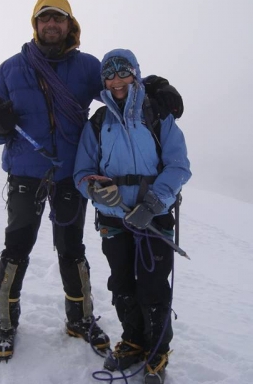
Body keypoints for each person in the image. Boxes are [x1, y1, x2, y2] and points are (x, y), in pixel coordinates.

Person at [0, 0, 184, 361]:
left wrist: (156, 86)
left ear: (69, 24)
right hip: (25, 173)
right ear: (35, 25)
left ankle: (81, 318)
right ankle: (5, 322)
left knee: (71, 249)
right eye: (44, 19)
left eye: (58, 19)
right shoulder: (10, 70)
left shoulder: (87, 67)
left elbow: (120, 88)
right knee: (17, 248)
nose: (51, 25)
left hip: (68, 176)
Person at [74, 49, 191, 383]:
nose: (116, 80)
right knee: (122, 283)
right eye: (108, 74)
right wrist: (95, 191)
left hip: (154, 218)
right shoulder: (97, 123)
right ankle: (133, 340)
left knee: (152, 286)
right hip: (114, 218)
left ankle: (156, 351)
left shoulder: (157, 115)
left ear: (135, 74)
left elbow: (179, 165)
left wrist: (153, 203)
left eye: (122, 71)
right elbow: (81, 172)